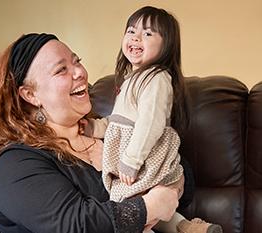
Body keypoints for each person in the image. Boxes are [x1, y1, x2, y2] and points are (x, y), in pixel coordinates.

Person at [0, 32, 181, 233]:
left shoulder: (107, 130)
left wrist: (171, 190)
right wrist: (150, 206)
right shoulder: (16, 164)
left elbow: (181, 173)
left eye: (77, 61)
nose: (80, 72)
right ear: (31, 95)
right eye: (61, 70)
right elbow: (73, 224)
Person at [83, 6, 223, 233]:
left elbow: (150, 123)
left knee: (130, 204)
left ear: (166, 45)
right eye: (131, 31)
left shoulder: (157, 79)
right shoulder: (130, 78)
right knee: (144, 203)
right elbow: (118, 121)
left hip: (144, 158)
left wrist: (131, 160)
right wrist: (94, 127)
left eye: (148, 33)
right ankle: (185, 227)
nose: (136, 37)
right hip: (134, 157)